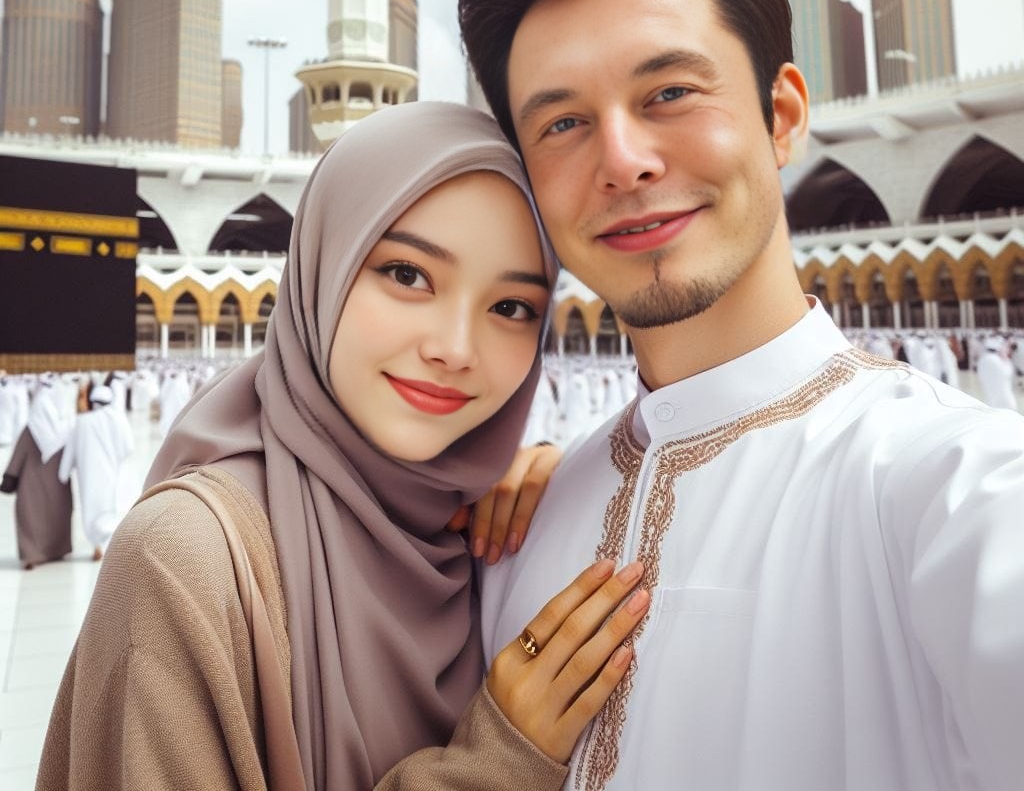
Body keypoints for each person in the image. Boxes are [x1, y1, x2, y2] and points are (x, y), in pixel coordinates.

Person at [458, 0, 1024, 789]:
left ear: (783, 115)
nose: (623, 160)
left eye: (671, 93)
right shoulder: (515, 529)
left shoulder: (944, 482)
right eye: (562, 123)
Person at [37, 101, 648, 791]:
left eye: (510, 308)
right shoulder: (188, 560)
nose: (453, 349)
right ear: (323, 271)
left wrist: (555, 484)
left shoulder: (484, 535)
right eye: (408, 274)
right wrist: (494, 763)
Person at [1, 374, 76, 569]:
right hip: (59, 484)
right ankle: (57, 550)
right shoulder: (65, 430)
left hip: (30, 486)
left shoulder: (31, 429)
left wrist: (9, 478)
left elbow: (18, 456)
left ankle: (32, 555)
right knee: (57, 515)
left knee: (31, 517)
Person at [58, 385, 140, 560]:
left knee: (91, 508)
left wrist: (63, 473)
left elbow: (70, 450)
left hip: (88, 474)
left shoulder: (82, 421)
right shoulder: (118, 419)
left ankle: (97, 544)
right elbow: (129, 448)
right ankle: (105, 544)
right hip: (111, 473)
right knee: (109, 507)